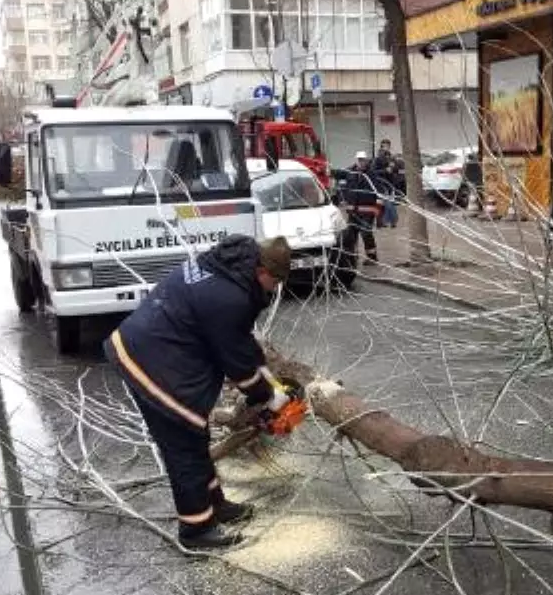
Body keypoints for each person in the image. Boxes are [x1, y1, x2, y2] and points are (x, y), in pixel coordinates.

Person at [104, 235, 295, 549]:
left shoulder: (229, 267)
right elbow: (238, 367)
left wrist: (266, 374)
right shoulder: (229, 299)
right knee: (184, 445)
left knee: (196, 434)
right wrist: (269, 397)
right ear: (263, 272)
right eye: (275, 283)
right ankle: (196, 531)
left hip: (151, 342)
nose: (273, 290)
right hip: (152, 360)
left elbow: (239, 339)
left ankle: (214, 505)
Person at [339, 151, 381, 264]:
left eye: (363, 160)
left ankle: (372, 257)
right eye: (359, 160)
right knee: (351, 234)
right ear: (356, 160)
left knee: (366, 233)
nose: (361, 162)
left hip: (367, 210)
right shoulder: (349, 172)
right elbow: (337, 174)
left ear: (367, 161)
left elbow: (378, 191)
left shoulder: (372, 174)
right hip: (353, 210)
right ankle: (352, 255)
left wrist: (379, 210)